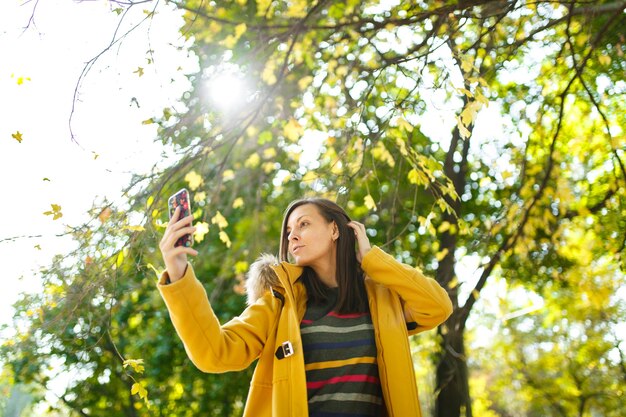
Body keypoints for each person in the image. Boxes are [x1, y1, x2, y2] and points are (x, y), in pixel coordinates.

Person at [158, 197, 453, 417]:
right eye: (289, 230)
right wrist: (178, 272)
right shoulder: (281, 302)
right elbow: (215, 353)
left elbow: (437, 307)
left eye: (304, 224)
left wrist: (373, 259)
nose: (292, 235)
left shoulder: (382, 298)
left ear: (335, 230)